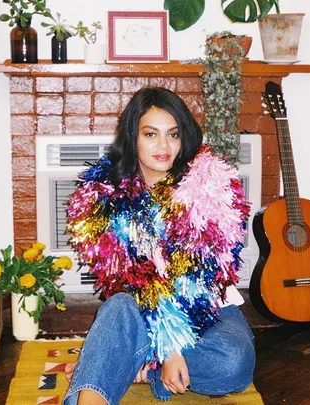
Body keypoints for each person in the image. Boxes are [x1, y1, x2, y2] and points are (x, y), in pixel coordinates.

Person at [63, 87, 255, 405]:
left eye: (173, 134)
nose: (163, 146)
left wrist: (170, 349)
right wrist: (168, 346)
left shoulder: (208, 186)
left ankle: (125, 362)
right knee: (119, 309)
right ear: (133, 137)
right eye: (151, 134)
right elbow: (130, 284)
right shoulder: (106, 195)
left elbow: (202, 280)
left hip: (210, 310)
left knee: (234, 362)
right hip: (141, 310)